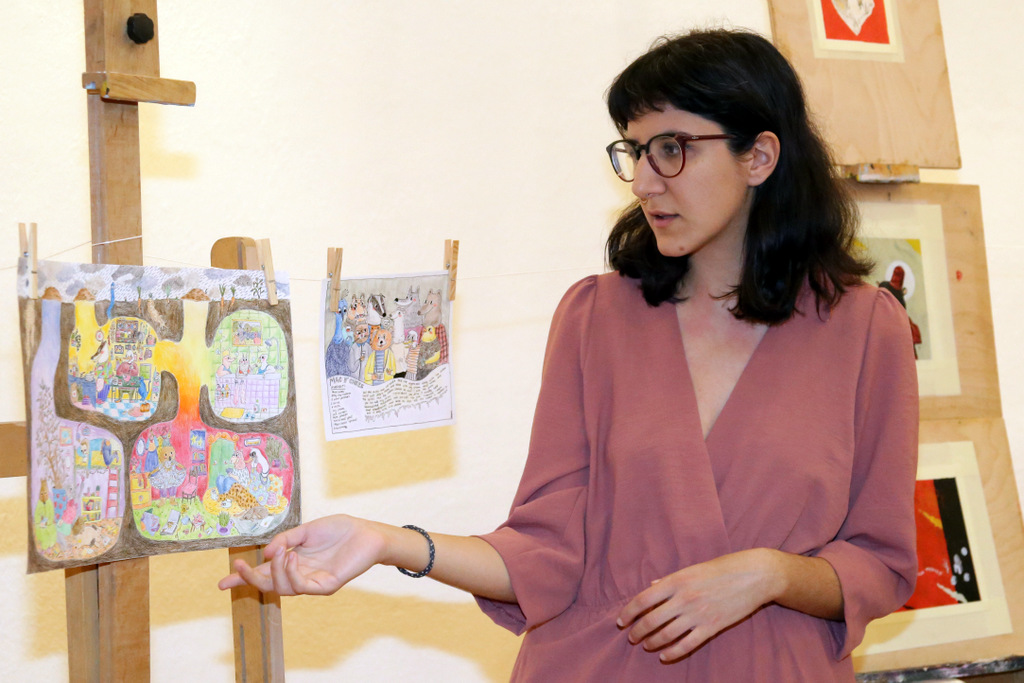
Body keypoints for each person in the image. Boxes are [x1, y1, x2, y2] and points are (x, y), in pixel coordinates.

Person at [219, 28, 918, 680]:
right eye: (635, 151)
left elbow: (881, 564)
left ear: (759, 156)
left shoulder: (865, 329)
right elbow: (545, 551)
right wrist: (385, 541)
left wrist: (770, 573)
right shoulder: (596, 317)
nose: (644, 181)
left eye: (671, 148)